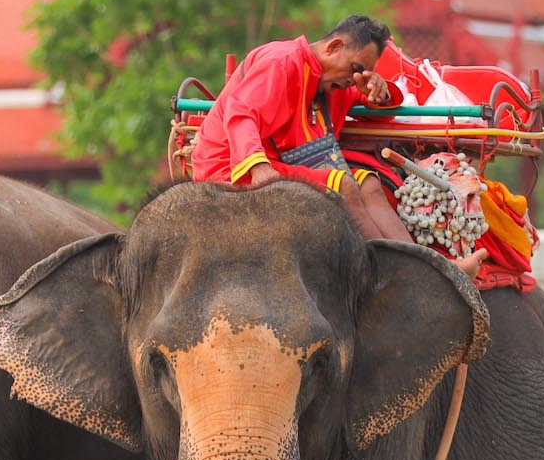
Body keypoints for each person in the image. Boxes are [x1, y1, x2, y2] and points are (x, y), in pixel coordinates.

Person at [190, 14, 486, 275]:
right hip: (233, 166)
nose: (353, 78)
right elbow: (241, 114)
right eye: (355, 67)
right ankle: (390, 275)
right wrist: (259, 169)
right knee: (343, 184)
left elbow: (376, 101)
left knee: (369, 182)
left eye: (362, 72)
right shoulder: (282, 62)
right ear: (334, 47)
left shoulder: (333, 80)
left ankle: (426, 268)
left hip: (284, 162)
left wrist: (378, 91)